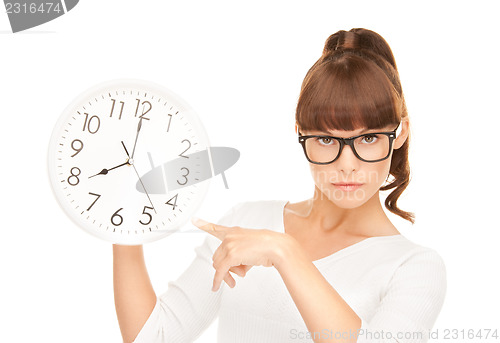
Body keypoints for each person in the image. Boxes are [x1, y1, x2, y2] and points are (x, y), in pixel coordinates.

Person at [113, 28, 447, 343]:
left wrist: (285, 252)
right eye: (327, 139)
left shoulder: (414, 268)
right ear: (300, 131)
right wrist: (121, 221)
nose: (348, 164)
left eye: (370, 137)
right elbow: (154, 336)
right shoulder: (246, 221)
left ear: (400, 132)